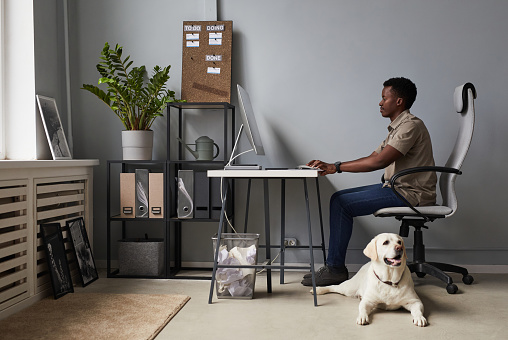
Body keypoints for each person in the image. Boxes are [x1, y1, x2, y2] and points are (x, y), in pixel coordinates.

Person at [301, 77, 437, 287]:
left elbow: (379, 161)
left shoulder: (410, 126)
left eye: (384, 98)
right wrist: (332, 166)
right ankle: (333, 268)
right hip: (397, 188)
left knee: (341, 204)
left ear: (399, 101)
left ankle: (335, 270)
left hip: (410, 193)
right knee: (338, 198)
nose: (380, 103)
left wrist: (335, 167)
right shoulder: (397, 128)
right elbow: (371, 157)